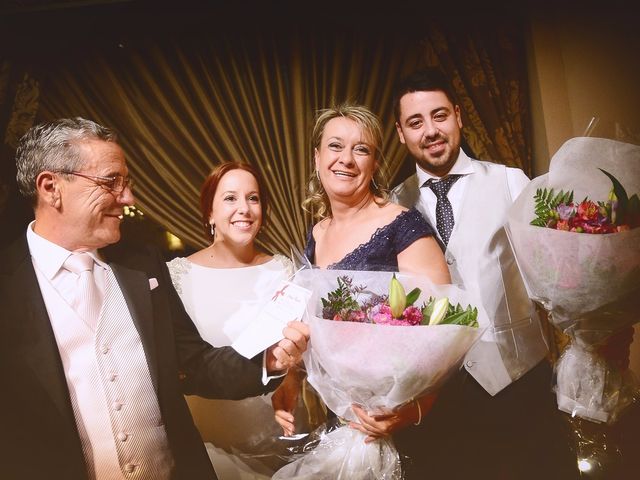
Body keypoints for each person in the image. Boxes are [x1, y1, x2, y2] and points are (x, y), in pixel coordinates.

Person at [0, 117, 309, 480]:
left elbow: (194, 364)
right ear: (51, 187)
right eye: (111, 182)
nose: (127, 197)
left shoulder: (142, 265)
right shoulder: (8, 285)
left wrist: (267, 360)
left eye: (126, 183)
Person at [390, 68, 577, 479]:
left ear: (458, 116)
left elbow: (557, 271)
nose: (431, 131)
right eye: (416, 122)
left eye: (439, 115)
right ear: (401, 133)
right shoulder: (392, 205)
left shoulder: (511, 181)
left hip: (520, 383)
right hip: (437, 398)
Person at [272, 103, 451, 464]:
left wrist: (414, 410)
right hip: (344, 418)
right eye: (335, 146)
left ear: (374, 163)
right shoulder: (316, 234)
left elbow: (445, 330)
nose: (347, 160)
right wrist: (291, 376)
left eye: (361, 149)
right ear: (317, 156)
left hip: (407, 426)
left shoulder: (403, 226)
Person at [167, 161, 323, 478]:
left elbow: (299, 353)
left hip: (281, 432)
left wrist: (291, 383)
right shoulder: (177, 276)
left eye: (253, 198)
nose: (245, 208)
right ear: (209, 213)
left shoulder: (285, 270)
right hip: (210, 445)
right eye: (230, 198)